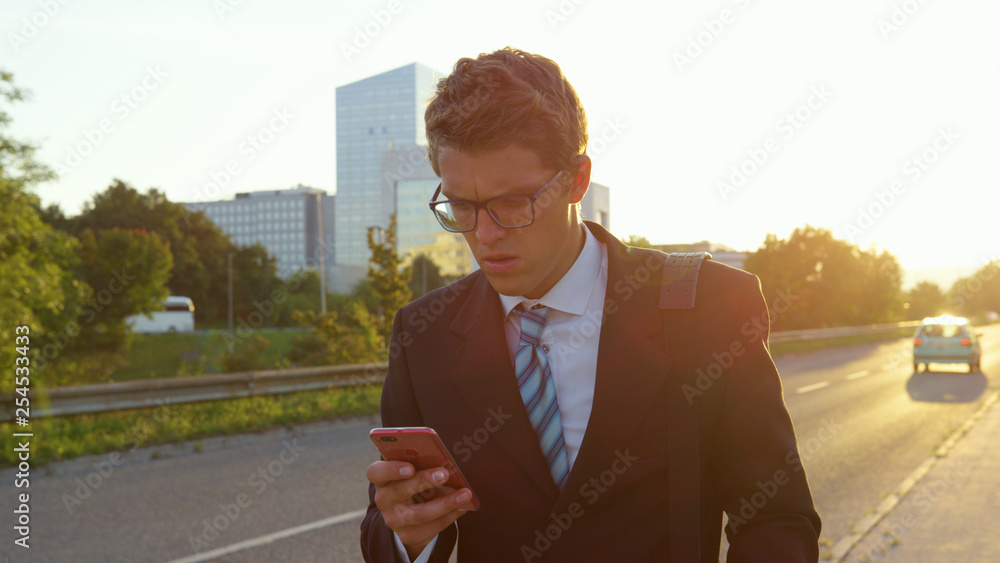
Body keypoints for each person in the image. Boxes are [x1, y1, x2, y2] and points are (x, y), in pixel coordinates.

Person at [361, 47, 821, 562]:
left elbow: (777, 520)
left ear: (577, 180)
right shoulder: (424, 334)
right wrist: (408, 537)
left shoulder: (707, 307)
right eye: (462, 207)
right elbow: (388, 528)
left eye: (513, 203)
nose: (484, 235)